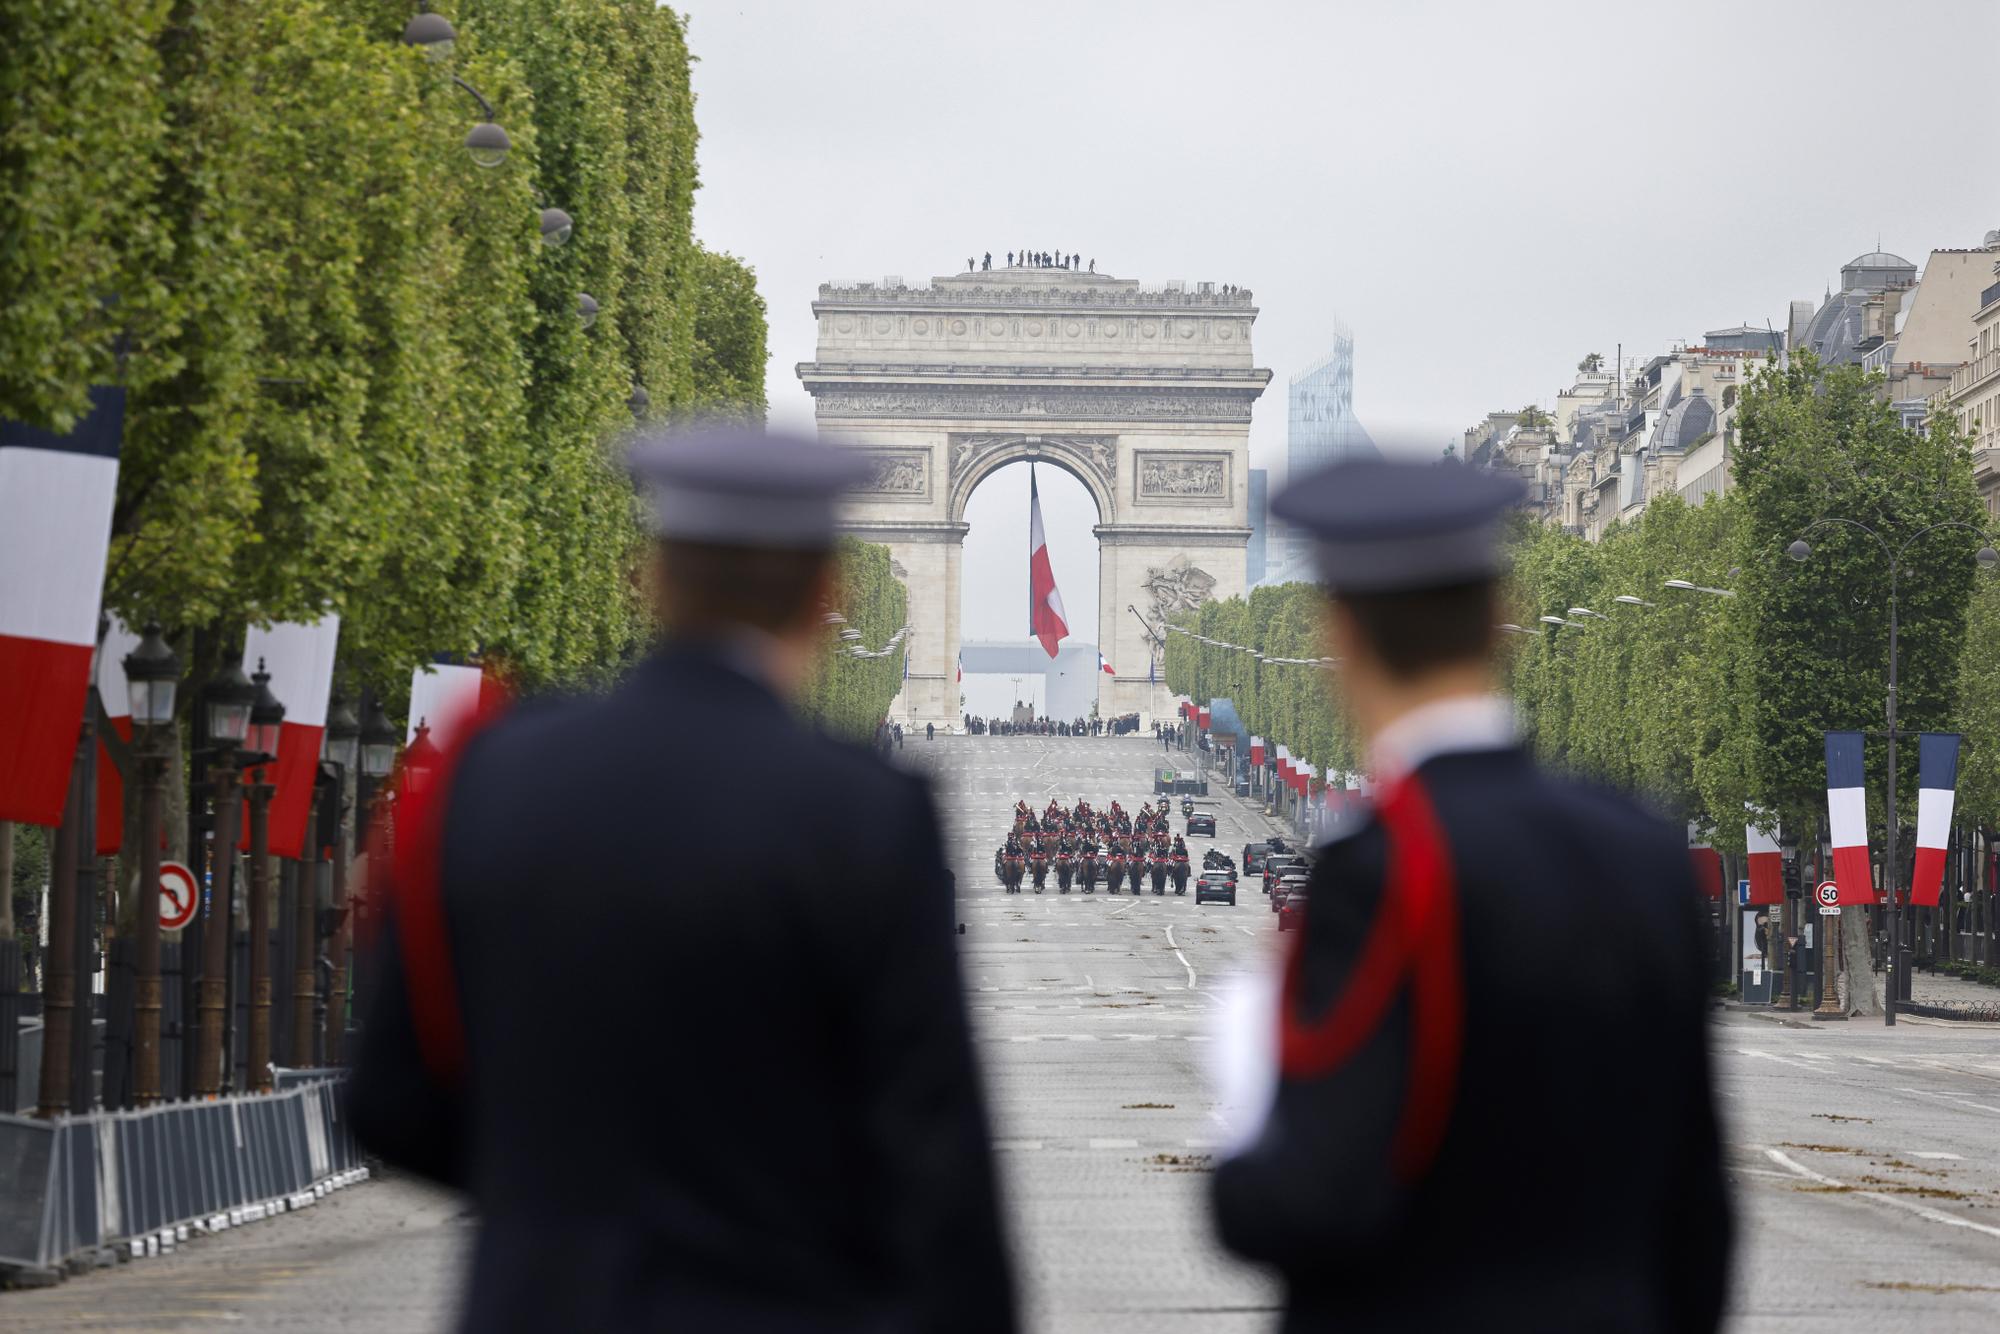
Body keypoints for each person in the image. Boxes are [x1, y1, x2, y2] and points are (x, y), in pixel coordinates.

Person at [350, 426, 1016, 1333]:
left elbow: (391, 1101)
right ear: (827, 595)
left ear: (646, 578)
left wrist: (555, 1188)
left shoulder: (491, 775)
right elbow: (934, 1153)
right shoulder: (866, 811)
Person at [1209, 458, 1728, 1332]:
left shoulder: (1382, 867)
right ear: (1502, 619)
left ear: (1338, 638)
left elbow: (1303, 1203)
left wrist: (1244, 1101)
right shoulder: (1644, 851)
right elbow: (1698, 1214)